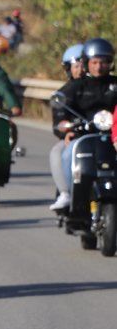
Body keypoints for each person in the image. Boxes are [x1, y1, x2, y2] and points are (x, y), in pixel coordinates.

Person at [52, 38, 117, 209]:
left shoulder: (115, 85)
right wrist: (64, 129)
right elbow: (60, 107)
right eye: (94, 62)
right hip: (82, 136)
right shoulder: (76, 86)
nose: (98, 66)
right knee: (62, 153)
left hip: (113, 136)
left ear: (110, 63)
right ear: (87, 63)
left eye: (103, 62)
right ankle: (67, 194)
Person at [48, 43, 85, 210]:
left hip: (106, 134)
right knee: (57, 151)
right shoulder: (64, 92)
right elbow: (58, 121)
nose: (80, 70)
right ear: (69, 68)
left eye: (83, 65)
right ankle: (65, 193)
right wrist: (66, 132)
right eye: (76, 66)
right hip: (76, 137)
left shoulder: (106, 86)